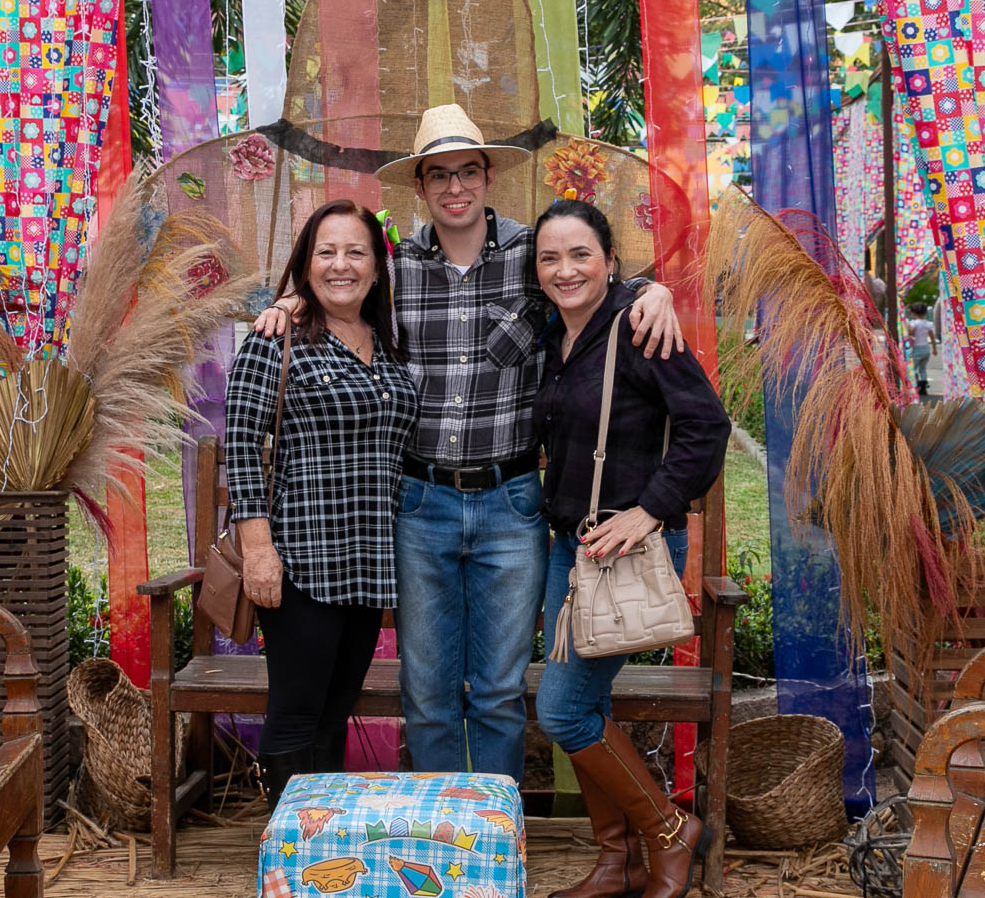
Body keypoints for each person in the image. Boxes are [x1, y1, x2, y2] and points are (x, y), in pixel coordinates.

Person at [253, 104, 684, 785]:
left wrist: (652, 291)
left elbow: (593, 280)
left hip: (511, 502)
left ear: (488, 177)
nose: (455, 187)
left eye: (467, 172)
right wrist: (289, 303)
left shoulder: (530, 255)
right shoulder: (394, 267)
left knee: (498, 691)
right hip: (419, 503)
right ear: (419, 186)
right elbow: (336, 290)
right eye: (439, 175)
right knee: (426, 694)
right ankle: (437, 830)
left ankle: (493, 830)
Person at [530, 199, 730, 898]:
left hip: (625, 550)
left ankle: (669, 830)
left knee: (562, 711)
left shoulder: (641, 327)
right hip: (572, 550)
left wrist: (649, 511)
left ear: (610, 261)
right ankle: (615, 861)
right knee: (583, 704)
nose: (565, 270)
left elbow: (707, 426)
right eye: (549, 258)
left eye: (580, 254)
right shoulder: (551, 334)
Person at [224, 199, 420, 804]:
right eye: (326, 252)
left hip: (370, 563)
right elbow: (240, 445)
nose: (341, 265)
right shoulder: (276, 340)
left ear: (377, 267)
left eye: (356, 252)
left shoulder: (388, 343)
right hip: (302, 561)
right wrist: (258, 551)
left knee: (335, 713)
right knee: (296, 712)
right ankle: (285, 843)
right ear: (305, 265)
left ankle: (321, 841)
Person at [907, 304, 937, 397]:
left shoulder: (914, 323)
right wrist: (934, 349)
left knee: (912, 368)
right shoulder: (928, 324)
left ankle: (916, 384)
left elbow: (911, 333)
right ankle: (923, 386)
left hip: (916, 349)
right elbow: (932, 337)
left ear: (914, 313)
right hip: (926, 349)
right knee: (923, 368)